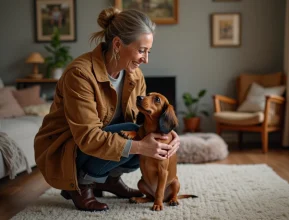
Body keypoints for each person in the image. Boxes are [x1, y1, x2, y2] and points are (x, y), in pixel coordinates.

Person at [34, 7, 180, 212]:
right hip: (69, 149)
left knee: (146, 137)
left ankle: (108, 180)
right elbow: (87, 137)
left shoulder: (135, 75)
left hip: (101, 144)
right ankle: (81, 183)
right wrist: (140, 146)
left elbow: (144, 120)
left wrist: (169, 134)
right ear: (118, 44)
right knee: (136, 136)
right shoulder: (80, 74)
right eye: (141, 50)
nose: (146, 59)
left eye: (148, 51)